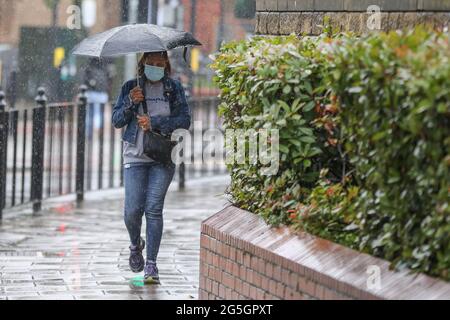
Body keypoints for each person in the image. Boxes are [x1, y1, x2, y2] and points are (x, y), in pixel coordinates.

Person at [112, 51, 191, 284]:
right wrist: (130, 103)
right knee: (132, 211)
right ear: (143, 63)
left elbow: (184, 120)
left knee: (154, 209)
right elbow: (116, 120)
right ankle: (136, 244)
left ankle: (151, 264)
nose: (155, 67)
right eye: (150, 63)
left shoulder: (173, 88)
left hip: (163, 156)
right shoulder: (130, 86)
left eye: (159, 63)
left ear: (166, 64)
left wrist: (155, 123)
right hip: (135, 157)